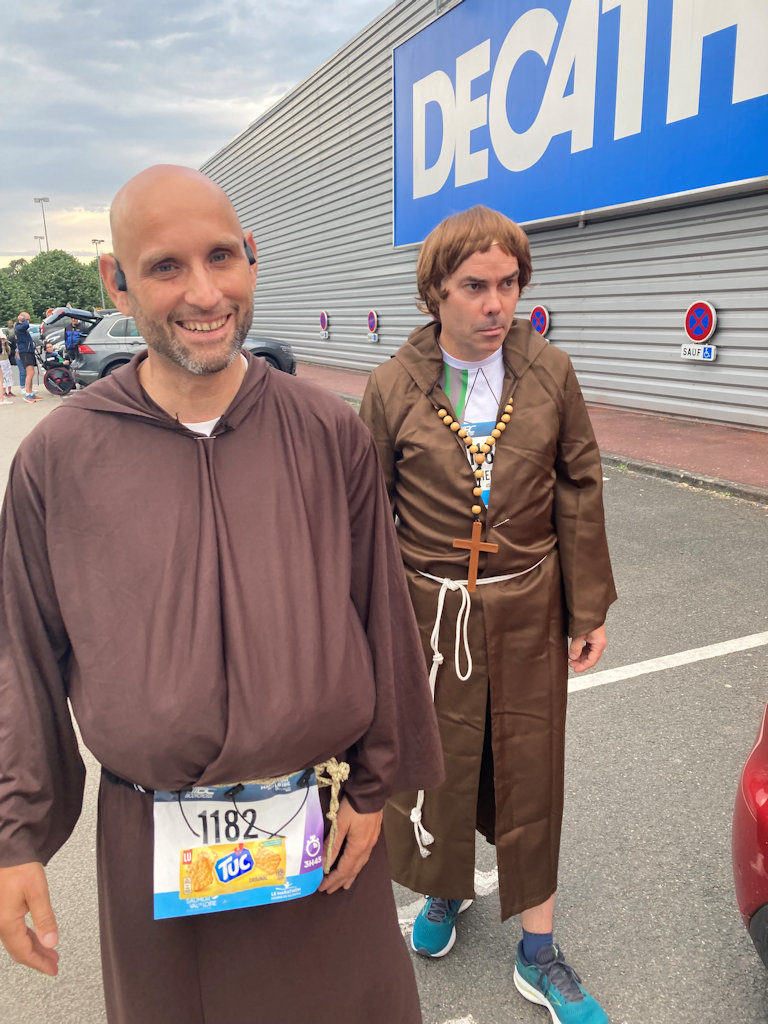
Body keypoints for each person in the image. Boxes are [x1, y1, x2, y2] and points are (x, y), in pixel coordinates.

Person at [0, 165, 444, 1024]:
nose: (204, 294)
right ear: (117, 282)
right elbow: (19, 655)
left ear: (251, 257)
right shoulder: (59, 460)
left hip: (321, 826)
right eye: (166, 267)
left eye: (221, 258)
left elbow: (383, 619)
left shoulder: (328, 433)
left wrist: (373, 789)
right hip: (154, 847)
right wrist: (15, 838)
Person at [359, 206, 617, 1024]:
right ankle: (447, 889)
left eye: (509, 284)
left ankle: (539, 950)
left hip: (530, 606)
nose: (496, 304)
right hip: (428, 616)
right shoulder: (392, 386)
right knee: (437, 765)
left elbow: (579, 486)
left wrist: (587, 608)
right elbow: (364, 516)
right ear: (436, 289)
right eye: (475, 285)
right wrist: (366, 628)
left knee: (530, 769)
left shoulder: (550, 371)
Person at [14, 312, 38, 402]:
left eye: (28, 319)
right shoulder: (19, 327)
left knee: (31, 372)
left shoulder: (23, 327)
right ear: (21, 318)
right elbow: (26, 325)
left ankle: (31, 392)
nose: (28, 321)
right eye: (26, 319)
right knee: (29, 373)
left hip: (29, 351)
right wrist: (23, 319)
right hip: (24, 352)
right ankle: (28, 394)